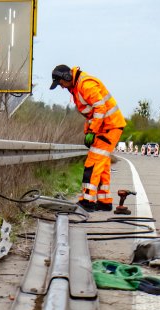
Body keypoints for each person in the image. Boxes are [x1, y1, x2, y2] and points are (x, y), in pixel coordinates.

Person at [50, 65, 126, 211]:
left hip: (109, 127)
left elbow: (100, 109)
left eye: (61, 83)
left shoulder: (86, 84)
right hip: (106, 127)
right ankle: (104, 201)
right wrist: (88, 131)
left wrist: (92, 131)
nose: (62, 87)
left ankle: (87, 201)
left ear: (67, 77)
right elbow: (91, 114)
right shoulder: (77, 87)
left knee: (93, 163)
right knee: (102, 165)